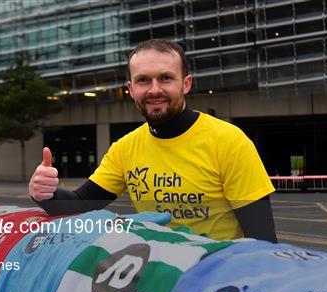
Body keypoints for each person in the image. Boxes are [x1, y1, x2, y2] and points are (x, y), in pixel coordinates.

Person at [29, 39, 277, 242]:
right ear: (131, 89)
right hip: (160, 279)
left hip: (218, 283)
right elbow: (81, 204)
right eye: (143, 80)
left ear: (186, 83)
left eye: (166, 78)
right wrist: (44, 193)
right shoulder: (125, 149)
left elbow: (263, 241)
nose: (154, 89)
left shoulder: (229, 142)